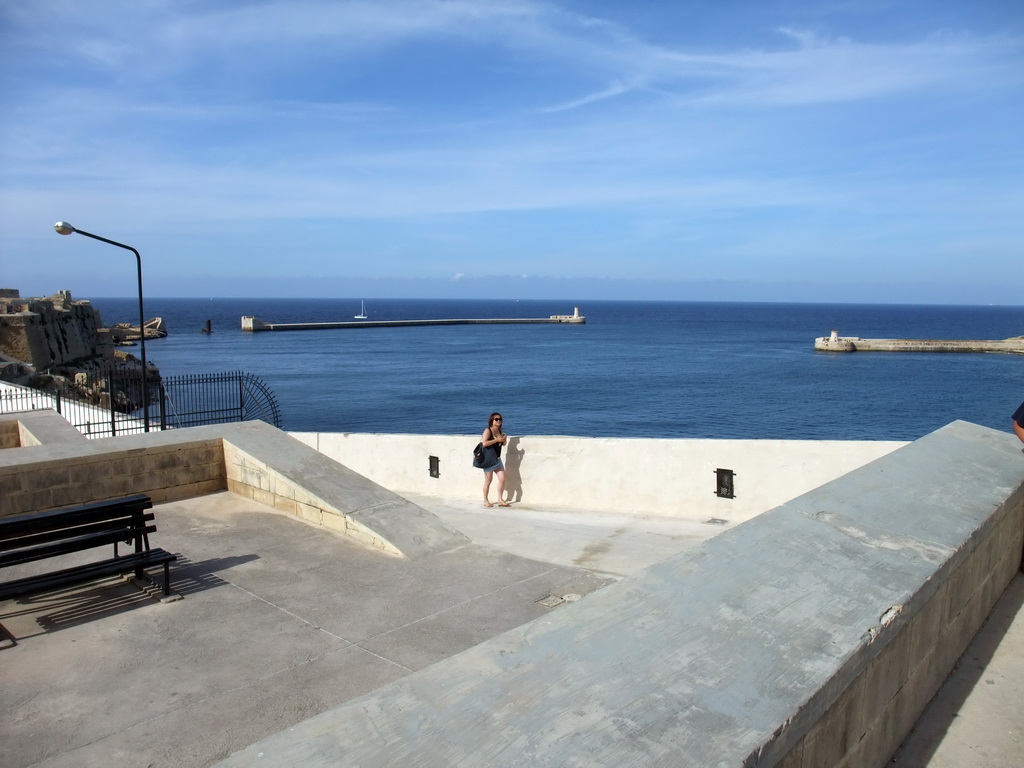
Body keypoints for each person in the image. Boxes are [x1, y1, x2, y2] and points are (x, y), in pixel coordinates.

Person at [480, 412, 510, 507]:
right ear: (491, 421)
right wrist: (497, 440)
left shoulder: (500, 431)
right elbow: (484, 443)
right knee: (488, 481)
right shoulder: (488, 431)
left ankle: (500, 499)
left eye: (500, 419)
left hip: (497, 459)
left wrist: (504, 440)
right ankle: (485, 500)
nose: (499, 421)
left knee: (502, 478)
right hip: (488, 460)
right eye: (496, 419)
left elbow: (503, 444)